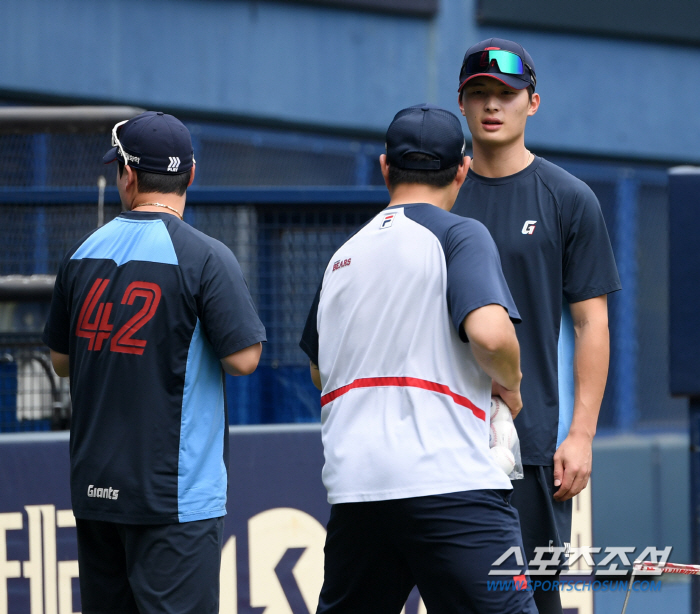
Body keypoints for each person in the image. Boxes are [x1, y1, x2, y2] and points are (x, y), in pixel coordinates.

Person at [300, 104, 537, 614]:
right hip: (450, 487)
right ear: (462, 170)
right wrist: (511, 385)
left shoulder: (343, 256)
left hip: (358, 495)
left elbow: (320, 369)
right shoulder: (459, 234)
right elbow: (492, 337)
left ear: (385, 167)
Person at [42, 111, 266, 614]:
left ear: (128, 175)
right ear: (191, 174)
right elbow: (244, 359)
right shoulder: (205, 256)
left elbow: (60, 361)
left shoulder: (82, 253)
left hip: (96, 490)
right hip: (173, 498)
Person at [454, 38, 621, 613]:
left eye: (506, 93)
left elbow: (591, 322)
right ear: (462, 103)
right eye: (479, 94)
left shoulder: (568, 198)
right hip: (440, 440)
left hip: (530, 447)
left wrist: (581, 434)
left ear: (534, 102)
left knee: (534, 604)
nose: (492, 105)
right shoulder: (440, 195)